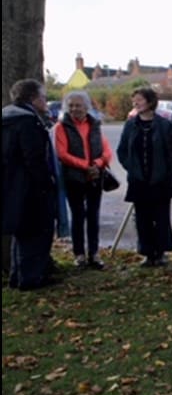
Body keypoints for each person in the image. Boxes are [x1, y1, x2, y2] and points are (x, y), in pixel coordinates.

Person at [2, 79, 58, 290]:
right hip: (30, 188)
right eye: (43, 97)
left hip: (11, 186)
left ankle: (17, 276)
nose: (45, 101)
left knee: (21, 233)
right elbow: (34, 159)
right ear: (33, 99)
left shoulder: (7, 119)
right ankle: (31, 278)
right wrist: (46, 182)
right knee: (35, 232)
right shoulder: (28, 123)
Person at [117, 86, 172, 267]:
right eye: (134, 100)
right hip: (139, 180)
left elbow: (171, 152)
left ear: (150, 102)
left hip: (160, 180)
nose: (135, 103)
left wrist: (167, 173)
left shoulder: (164, 125)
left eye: (140, 99)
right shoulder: (130, 125)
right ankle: (147, 253)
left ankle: (161, 252)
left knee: (161, 218)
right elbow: (122, 151)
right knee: (142, 219)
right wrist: (132, 167)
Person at [54, 90, 114, 269]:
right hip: (74, 178)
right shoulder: (61, 127)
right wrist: (85, 165)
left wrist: (97, 164)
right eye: (71, 105)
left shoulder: (94, 125)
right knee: (78, 215)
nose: (74, 109)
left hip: (95, 176)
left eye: (78, 105)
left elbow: (106, 151)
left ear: (86, 107)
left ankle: (94, 253)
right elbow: (62, 154)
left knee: (93, 216)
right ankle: (79, 254)